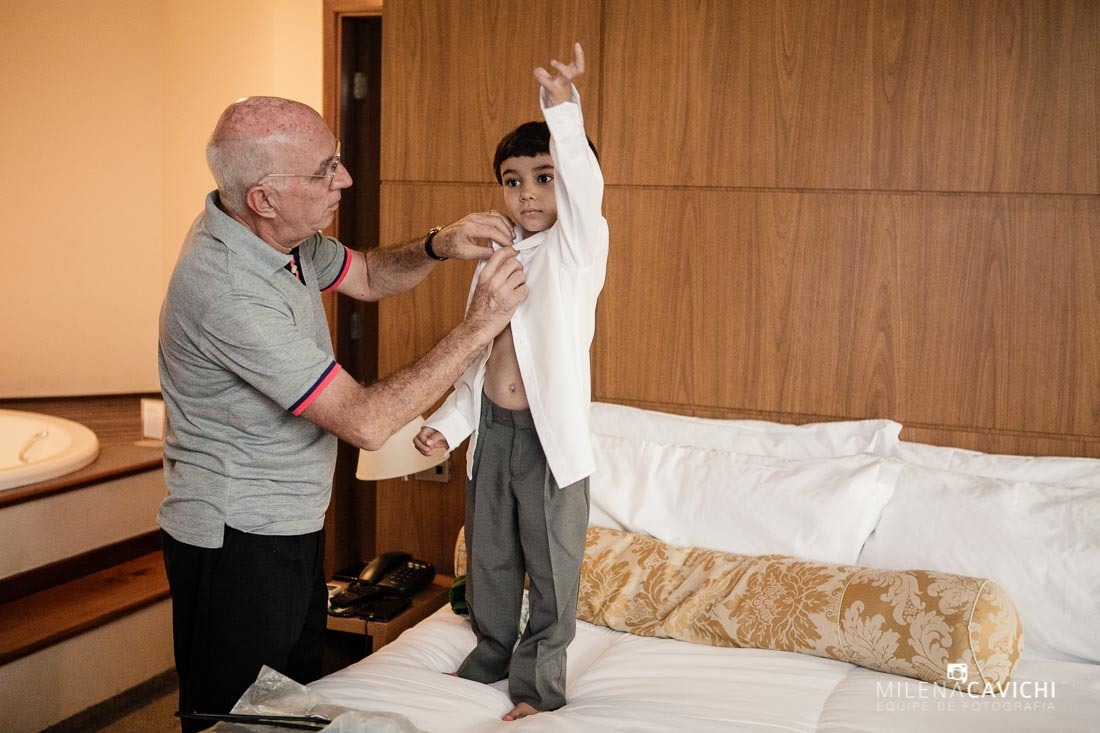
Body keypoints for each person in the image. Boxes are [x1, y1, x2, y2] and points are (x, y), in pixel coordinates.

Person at [158, 95, 527, 732]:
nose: (345, 179)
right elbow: (365, 422)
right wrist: (480, 327)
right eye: (325, 170)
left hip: (288, 519)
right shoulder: (228, 290)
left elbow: (369, 275)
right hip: (237, 537)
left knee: (290, 703)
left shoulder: (276, 238)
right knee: (237, 721)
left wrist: (440, 245)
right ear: (264, 198)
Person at [414, 43, 608, 721]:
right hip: (493, 432)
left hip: (549, 442)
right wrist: (450, 423)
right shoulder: (494, 258)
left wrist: (562, 112)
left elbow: (585, 188)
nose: (527, 193)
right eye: (513, 180)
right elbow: (481, 352)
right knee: (490, 555)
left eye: (543, 178)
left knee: (550, 566)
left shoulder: (578, 248)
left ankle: (538, 686)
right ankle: (492, 650)